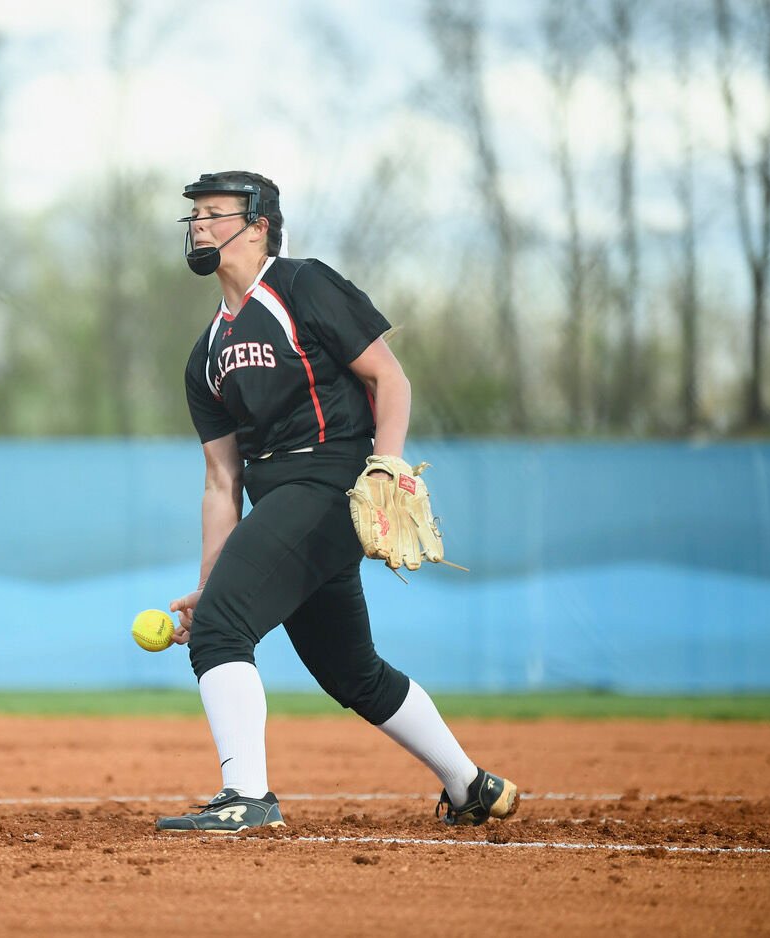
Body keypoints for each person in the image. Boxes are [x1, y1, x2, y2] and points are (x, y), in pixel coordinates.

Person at [155, 171, 518, 832]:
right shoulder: (206, 354)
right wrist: (210, 584)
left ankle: (248, 798)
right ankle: (470, 784)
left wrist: (391, 463)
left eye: (214, 213)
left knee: (220, 635)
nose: (199, 225)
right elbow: (220, 482)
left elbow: (388, 375)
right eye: (195, 216)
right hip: (283, 506)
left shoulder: (302, 285)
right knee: (353, 674)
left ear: (260, 223)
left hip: (332, 485)